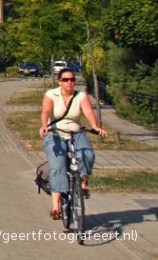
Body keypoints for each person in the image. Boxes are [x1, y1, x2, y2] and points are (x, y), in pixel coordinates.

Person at [39, 69, 107, 220]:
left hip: (76, 132)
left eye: (72, 79)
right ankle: (56, 207)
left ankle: (82, 184)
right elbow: (46, 111)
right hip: (55, 133)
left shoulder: (80, 96)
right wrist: (44, 125)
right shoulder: (51, 95)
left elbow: (88, 112)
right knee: (58, 165)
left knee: (87, 154)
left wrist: (95, 126)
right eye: (66, 80)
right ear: (59, 81)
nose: (70, 82)